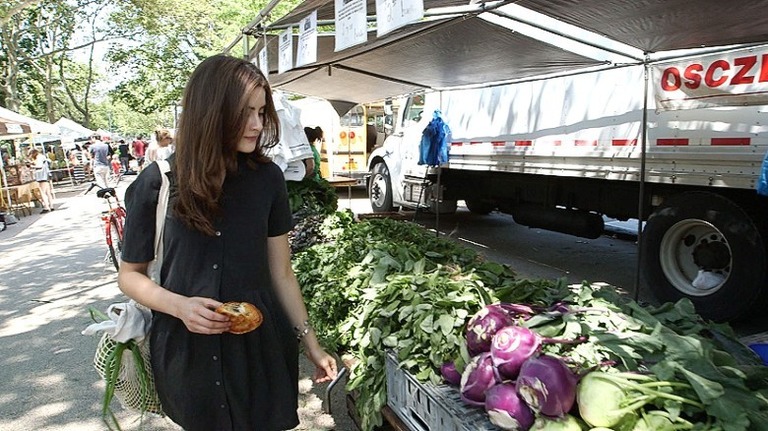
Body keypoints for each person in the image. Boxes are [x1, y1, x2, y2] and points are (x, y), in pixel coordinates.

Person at [117, 54, 337, 431]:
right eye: (245, 113)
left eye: (261, 112)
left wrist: (310, 343)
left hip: (260, 348)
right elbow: (130, 276)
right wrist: (180, 306)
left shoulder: (267, 178)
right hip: (188, 351)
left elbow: (281, 273)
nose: (256, 125)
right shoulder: (158, 182)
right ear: (211, 112)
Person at [29, 148, 55, 213]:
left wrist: (32, 166)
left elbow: (39, 166)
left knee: (42, 192)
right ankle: (51, 206)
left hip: (42, 176)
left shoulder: (38, 157)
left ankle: (46, 207)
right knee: (48, 192)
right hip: (47, 175)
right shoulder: (43, 156)